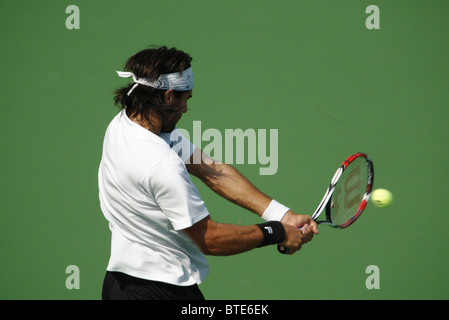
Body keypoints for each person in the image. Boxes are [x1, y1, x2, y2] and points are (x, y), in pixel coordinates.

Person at [98, 46, 318, 300]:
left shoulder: (125, 124)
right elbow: (210, 239)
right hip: (161, 292)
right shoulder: (161, 165)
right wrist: (276, 232)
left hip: (118, 286)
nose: (186, 108)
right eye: (186, 99)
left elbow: (209, 169)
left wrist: (282, 215)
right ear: (168, 96)